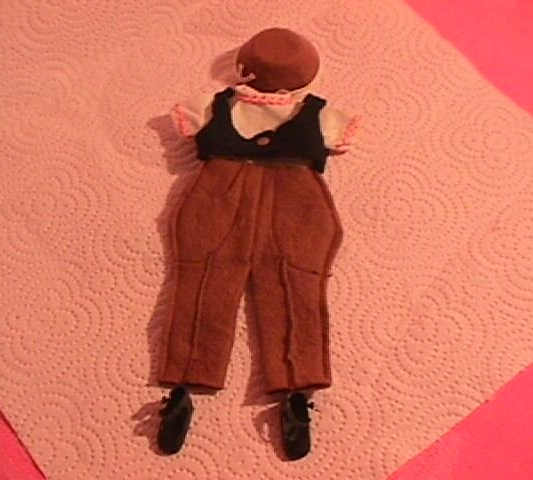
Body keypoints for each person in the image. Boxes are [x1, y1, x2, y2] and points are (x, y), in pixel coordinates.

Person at [156, 27, 359, 460]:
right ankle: (295, 394)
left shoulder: (212, 107)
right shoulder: (321, 115)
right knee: (293, 288)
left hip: (224, 192)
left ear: (243, 67)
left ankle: (184, 386)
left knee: (205, 282)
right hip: (292, 197)